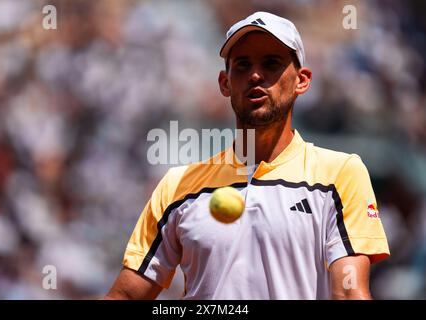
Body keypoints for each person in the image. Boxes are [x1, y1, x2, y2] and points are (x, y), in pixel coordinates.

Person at [105, 11, 390, 300]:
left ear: (301, 81)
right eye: (242, 65)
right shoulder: (178, 185)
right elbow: (128, 295)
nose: (255, 75)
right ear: (225, 83)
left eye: (271, 63)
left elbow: (349, 291)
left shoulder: (340, 173)